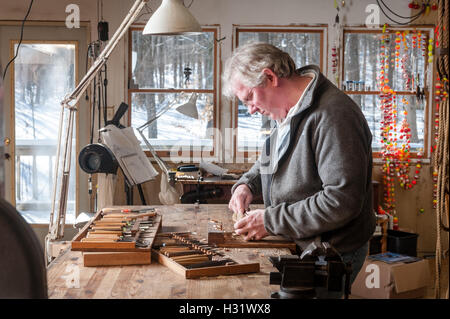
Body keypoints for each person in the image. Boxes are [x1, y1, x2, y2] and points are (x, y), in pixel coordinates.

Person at [223, 42, 376, 298]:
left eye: (250, 97)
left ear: (270, 77)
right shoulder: (288, 110)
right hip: (299, 238)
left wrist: (271, 221)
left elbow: (341, 201)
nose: (250, 109)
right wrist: (247, 184)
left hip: (330, 250)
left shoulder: (334, 115)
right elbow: (271, 158)